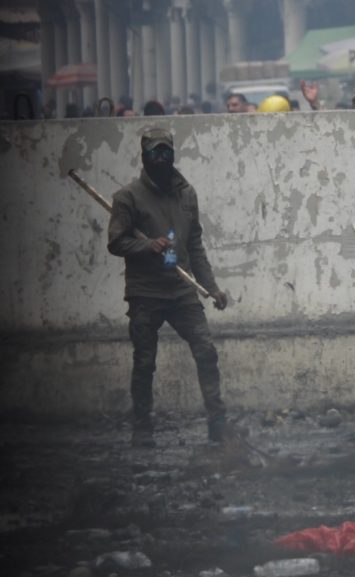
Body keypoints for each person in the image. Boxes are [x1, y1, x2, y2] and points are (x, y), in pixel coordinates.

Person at [107, 127, 229, 448]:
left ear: (173, 154)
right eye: (154, 152)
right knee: (145, 361)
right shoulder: (127, 198)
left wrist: (211, 288)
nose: (160, 158)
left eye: (165, 152)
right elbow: (116, 242)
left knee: (206, 351)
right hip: (145, 293)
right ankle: (142, 429)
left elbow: (195, 245)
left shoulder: (186, 194)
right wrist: (147, 245)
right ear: (144, 156)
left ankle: (218, 424)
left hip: (182, 289)